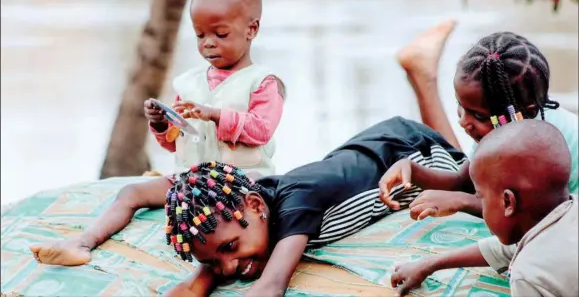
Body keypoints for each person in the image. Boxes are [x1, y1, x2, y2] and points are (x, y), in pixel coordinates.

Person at [29, 117, 470, 297]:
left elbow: (271, 287)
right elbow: (133, 194)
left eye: (230, 247)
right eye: (216, 259)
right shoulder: (244, 193)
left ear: (257, 208)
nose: (229, 265)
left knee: (472, 175)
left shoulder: (297, 204)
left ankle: (421, 75)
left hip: (411, 152)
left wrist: (201, 281)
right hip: (356, 149)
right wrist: (86, 240)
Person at [380, 24, 578, 219]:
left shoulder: (543, 141)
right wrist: (412, 170)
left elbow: (529, 211)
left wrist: (461, 202)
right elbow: (463, 182)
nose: (464, 122)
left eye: (480, 116)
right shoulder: (503, 129)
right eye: (461, 106)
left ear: (524, 113)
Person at [390, 120, 577, 297]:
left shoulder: (528, 274)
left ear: (507, 202)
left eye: (481, 197)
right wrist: (427, 264)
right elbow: (504, 249)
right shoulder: (568, 211)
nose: (481, 202)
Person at [143, 0, 286, 176]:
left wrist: (216, 115)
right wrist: (160, 121)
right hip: (191, 182)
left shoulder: (263, 83)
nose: (208, 42)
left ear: (251, 29)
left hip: (240, 186)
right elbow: (176, 142)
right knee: (132, 194)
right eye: (200, 35)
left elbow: (262, 130)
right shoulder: (188, 84)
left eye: (221, 34)